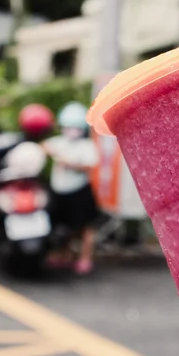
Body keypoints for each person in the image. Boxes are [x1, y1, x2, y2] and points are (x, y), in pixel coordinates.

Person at [43, 102, 100, 275]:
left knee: (85, 227)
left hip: (79, 191)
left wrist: (69, 164)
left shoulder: (87, 146)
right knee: (63, 225)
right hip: (60, 191)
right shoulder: (59, 142)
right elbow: (43, 146)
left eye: (74, 127)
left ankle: (85, 258)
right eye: (67, 127)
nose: (70, 130)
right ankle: (65, 255)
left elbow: (90, 166)